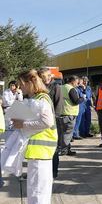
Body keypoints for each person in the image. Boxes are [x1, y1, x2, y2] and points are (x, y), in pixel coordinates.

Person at [12, 69, 57, 204]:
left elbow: (47, 122)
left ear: (31, 82)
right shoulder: (38, 98)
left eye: (22, 84)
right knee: (36, 190)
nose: (20, 87)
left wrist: (23, 124)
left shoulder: (42, 98)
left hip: (41, 152)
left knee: (38, 192)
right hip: (39, 152)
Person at [38, 68, 62, 179]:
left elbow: (58, 106)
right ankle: (44, 171)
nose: (46, 78)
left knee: (54, 148)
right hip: (40, 122)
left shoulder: (56, 87)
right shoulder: (39, 88)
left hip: (53, 122)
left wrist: (53, 121)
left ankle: (53, 172)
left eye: (48, 76)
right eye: (43, 77)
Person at [59, 76, 84, 156]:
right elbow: (75, 101)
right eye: (77, 82)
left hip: (61, 113)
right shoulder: (71, 89)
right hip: (69, 114)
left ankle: (65, 149)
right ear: (72, 81)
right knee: (68, 134)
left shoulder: (60, 87)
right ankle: (64, 150)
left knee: (62, 133)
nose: (77, 84)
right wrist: (83, 98)